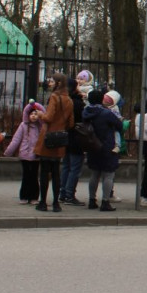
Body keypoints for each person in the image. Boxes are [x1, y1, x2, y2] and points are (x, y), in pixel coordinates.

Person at [33, 72, 74, 213]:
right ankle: (56, 203)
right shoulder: (69, 99)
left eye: (52, 81)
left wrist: (39, 114)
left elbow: (48, 117)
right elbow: (71, 122)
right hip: (60, 138)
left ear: (58, 83)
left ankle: (43, 202)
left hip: (49, 137)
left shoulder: (54, 97)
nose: (49, 83)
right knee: (56, 172)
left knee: (44, 172)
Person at [82, 89, 122, 211]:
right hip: (106, 146)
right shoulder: (106, 113)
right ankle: (105, 201)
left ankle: (92, 200)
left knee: (94, 174)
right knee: (108, 175)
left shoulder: (85, 112)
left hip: (92, 146)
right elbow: (119, 126)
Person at [6, 101, 44, 204]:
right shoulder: (23, 125)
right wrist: (9, 151)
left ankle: (34, 197)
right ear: (27, 115)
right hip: (25, 155)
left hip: (36, 155)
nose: (33, 116)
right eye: (31, 114)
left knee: (34, 176)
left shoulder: (41, 127)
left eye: (36, 114)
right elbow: (16, 139)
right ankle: (24, 196)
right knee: (26, 176)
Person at [59, 76, 87, 206]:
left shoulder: (62, 100)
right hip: (77, 137)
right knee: (75, 168)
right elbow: (83, 120)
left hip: (65, 136)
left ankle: (63, 193)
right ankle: (70, 194)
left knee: (66, 166)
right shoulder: (77, 102)